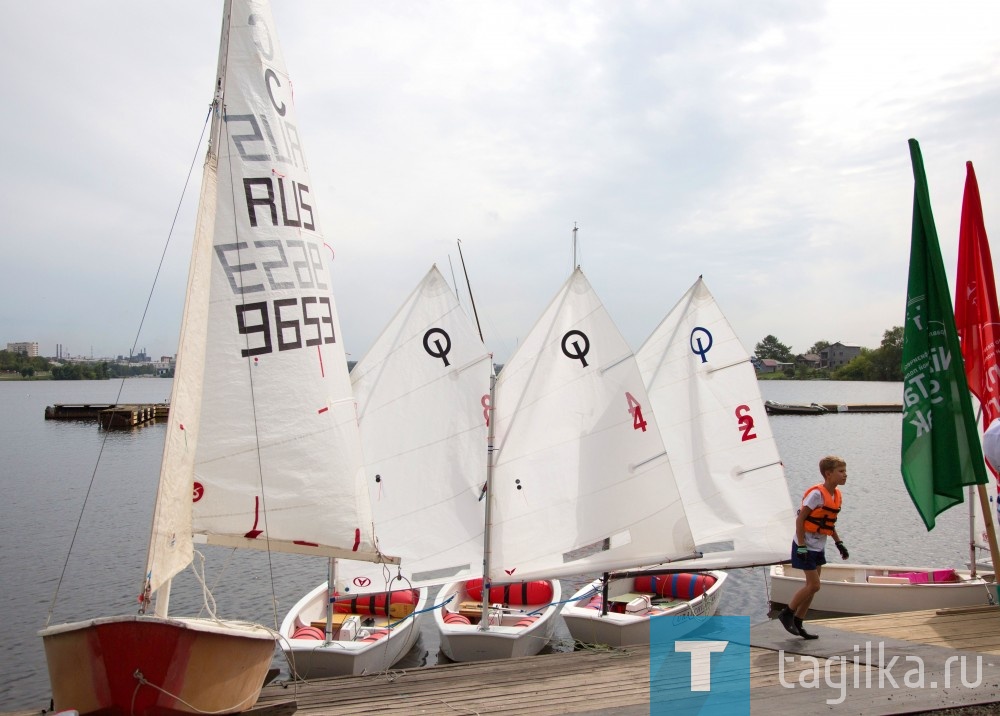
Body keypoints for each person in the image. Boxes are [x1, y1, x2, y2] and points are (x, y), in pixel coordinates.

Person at [777, 455, 849, 639]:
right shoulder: (816, 494)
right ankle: (787, 614)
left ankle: (799, 622)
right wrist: (801, 545)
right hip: (805, 545)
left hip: (818, 546)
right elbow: (801, 519)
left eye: (845, 471)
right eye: (841, 472)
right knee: (814, 585)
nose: (845, 475)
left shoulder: (836, 495)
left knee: (813, 586)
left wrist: (839, 543)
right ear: (828, 474)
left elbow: (828, 522)